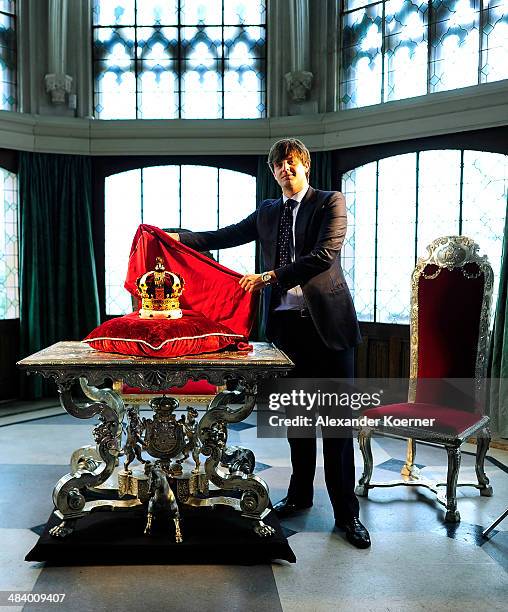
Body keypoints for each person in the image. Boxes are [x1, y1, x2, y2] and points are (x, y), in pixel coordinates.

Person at [168, 138, 370, 548]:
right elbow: (224, 235)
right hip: (286, 331)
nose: (285, 170)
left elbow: (323, 256)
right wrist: (174, 237)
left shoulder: (331, 202)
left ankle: (347, 515)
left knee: (335, 426)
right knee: (297, 421)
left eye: (292, 163)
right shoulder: (267, 211)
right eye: (279, 165)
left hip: (327, 329)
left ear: (306, 167)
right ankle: (299, 495)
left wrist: (269, 277)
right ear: (273, 171)